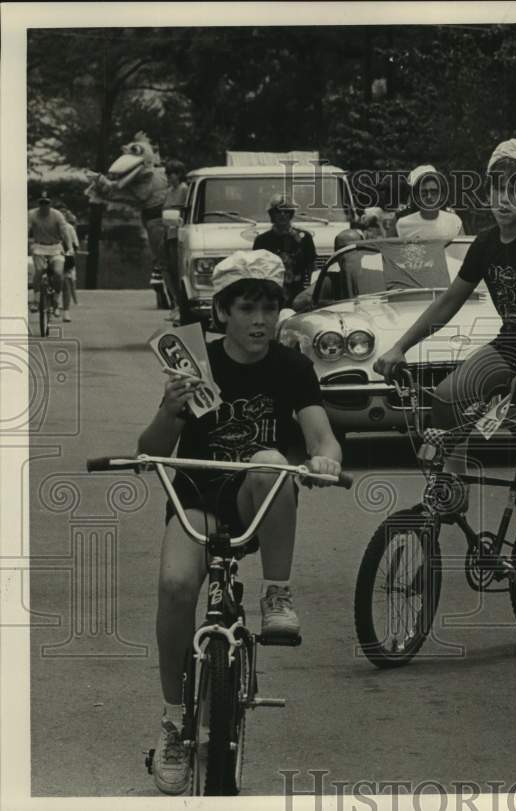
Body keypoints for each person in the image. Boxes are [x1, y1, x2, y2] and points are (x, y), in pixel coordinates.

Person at [137, 249, 342, 794]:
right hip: (197, 498)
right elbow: (152, 450)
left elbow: (322, 437)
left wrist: (325, 460)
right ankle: (174, 721)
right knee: (177, 587)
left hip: (258, 499)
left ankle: (277, 594)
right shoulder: (193, 361)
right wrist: (168, 409)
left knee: (272, 462)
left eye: (269, 309)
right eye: (247, 308)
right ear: (222, 312)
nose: (260, 321)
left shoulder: (292, 367)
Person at [373, 138, 516, 629]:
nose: (504, 197)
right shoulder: (487, 243)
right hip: (512, 343)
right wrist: (399, 347)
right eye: (497, 186)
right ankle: (453, 485)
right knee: (447, 397)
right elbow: (449, 302)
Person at [252, 194, 317, 301]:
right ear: (272, 214)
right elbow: (256, 272)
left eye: (286, 211)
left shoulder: (304, 238)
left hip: (299, 294)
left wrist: (312, 292)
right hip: (270, 296)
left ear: (291, 214)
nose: (282, 215)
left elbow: (312, 268)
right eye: (278, 211)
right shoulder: (262, 241)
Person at [28, 192, 73, 321]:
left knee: (58, 273)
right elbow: (26, 229)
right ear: (39, 204)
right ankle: (36, 299)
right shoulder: (32, 214)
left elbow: (65, 233)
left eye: (46, 203)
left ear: (50, 204)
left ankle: (56, 299)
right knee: (39, 270)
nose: (44, 206)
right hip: (39, 246)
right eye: (41, 203)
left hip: (55, 247)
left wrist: (69, 248)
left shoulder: (57, 215)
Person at [394, 165, 465, 240]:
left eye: (434, 192)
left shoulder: (453, 219)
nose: (429, 197)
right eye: (423, 192)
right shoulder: (402, 220)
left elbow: (461, 246)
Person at [162, 160, 189, 321]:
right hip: (168, 233)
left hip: (177, 234)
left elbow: (182, 212)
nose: (169, 178)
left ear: (178, 174)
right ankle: (175, 303)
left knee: (177, 270)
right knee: (168, 270)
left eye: (171, 174)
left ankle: (180, 305)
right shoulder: (169, 191)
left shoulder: (183, 189)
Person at [61, 209, 81, 308]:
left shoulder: (68, 227)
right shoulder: (69, 228)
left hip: (64, 253)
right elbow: (76, 243)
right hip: (67, 254)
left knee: (69, 278)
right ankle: (75, 300)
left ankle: (74, 300)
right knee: (71, 279)